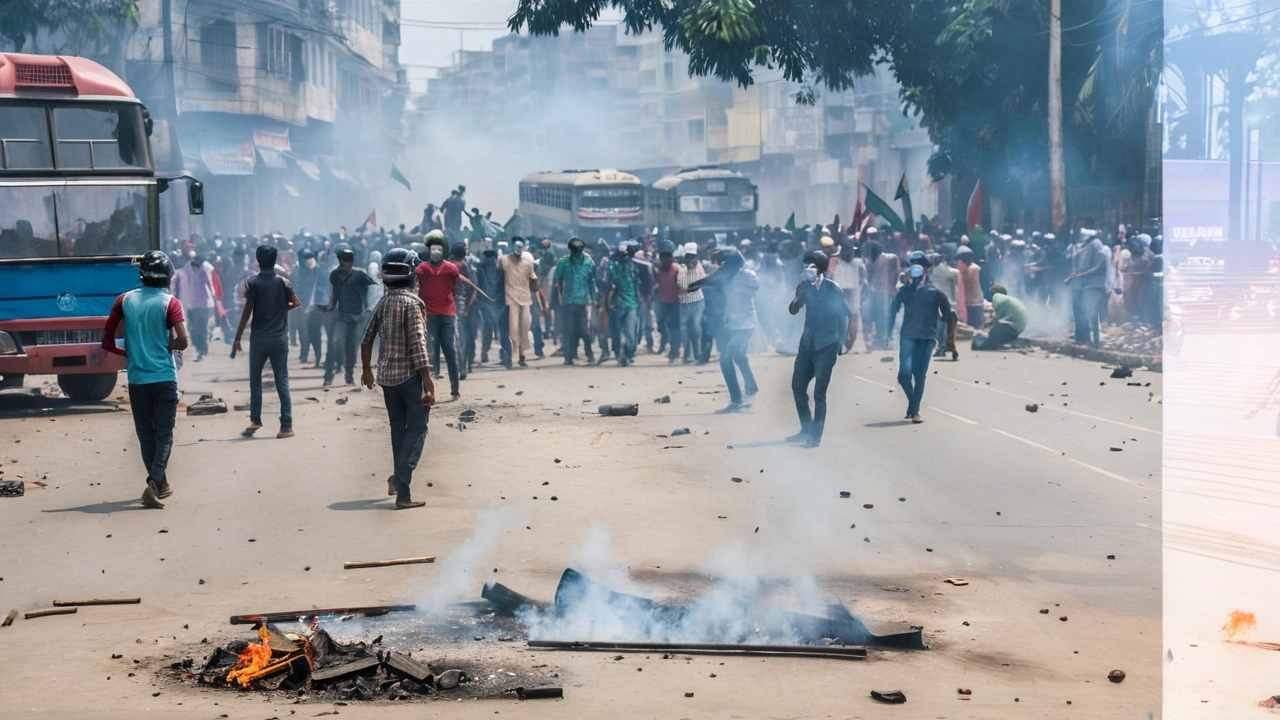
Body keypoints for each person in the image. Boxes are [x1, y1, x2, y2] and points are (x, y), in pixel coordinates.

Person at [100, 250, 189, 509]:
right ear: (168, 278)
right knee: (164, 434)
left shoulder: (123, 300)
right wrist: (166, 348)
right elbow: (183, 340)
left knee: (146, 436)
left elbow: (107, 340)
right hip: (163, 376)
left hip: (137, 379)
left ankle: (159, 483)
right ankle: (154, 483)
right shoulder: (170, 303)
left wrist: (129, 352)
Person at [360, 248, 434, 509]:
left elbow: (366, 338)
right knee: (418, 429)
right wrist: (428, 381)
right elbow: (418, 344)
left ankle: (403, 495)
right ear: (411, 275)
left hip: (387, 379)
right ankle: (399, 478)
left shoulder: (384, 302)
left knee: (397, 432)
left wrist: (367, 370)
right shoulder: (413, 303)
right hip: (409, 378)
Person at [233, 244, 302, 438]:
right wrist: (281, 310)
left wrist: (238, 337)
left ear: (258, 260)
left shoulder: (252, 282)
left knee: (255, 380)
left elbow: (247, 310)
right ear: (275, 260)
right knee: (282, 380)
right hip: (279, 338)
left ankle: (256, 420)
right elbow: (296, 302)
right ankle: (286, 426)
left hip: (259, 339)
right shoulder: (283, 283)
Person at [786, 251, 852, 448]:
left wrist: (841, 342)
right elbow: (793, 310)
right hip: (807, 343)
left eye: (812, 266)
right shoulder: (804, 288)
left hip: (826, 344)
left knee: (819, 393)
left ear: (821, 269)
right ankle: (805, 428)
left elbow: (844, 316)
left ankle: (815, 436)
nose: (808, 269)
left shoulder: (833, 289)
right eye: (806, 265)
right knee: (798, 386)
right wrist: (796, 295)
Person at [889, 252, 954, 423]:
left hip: (927, 337)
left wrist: (949, 340)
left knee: (919, 374)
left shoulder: (935, 292)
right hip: (908, 336)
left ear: (926, 269)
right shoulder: (904, 291)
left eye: (919, 264)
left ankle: (915, 410)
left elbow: (949, 315)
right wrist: (887, 333)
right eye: (913, 264)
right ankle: (913, 403)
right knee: (903, 375)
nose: (915, 268)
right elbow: (892, 311)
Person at [694, 248, 759, 412]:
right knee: (739, 356)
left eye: (724, 264)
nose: (722, 268)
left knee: (726, 360)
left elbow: (719, 280)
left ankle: (737, 399)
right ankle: (750, 389)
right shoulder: (726, 276)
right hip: (730, 323)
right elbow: (714, 280)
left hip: (745, 323)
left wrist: (706, 283)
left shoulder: (747, 276)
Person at [324, 247, 375, 386]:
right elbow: (334, 292)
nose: (347, 263)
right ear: (341, 261)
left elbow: (371, 288)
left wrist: (367, 307)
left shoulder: (361, 275)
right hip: (341, 315)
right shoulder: (335, 275)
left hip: (357, 316)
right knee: (336, 342)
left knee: (352, 347)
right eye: (345, 261)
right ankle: (329, 374)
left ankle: (349, 375)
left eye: (350, 260)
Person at [501, 238, 547, 367]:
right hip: (509, 300)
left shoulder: (528, 263)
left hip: (526, 299)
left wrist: (541, 300)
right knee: (511, 328)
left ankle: (522, 355)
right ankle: (508, 355)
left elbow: (535, 283)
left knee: (525, 327)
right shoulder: (505, 262)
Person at [553, 237, 597, 365]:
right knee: (570, 330)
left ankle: (589, 353)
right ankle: (569, 357)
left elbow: (592, 282)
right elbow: (558, 281)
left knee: (584, 330)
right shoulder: (563, 262)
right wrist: (560, 297)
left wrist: (593, 299)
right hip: (568, 301)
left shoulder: (589, 262)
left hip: (583, 301)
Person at [1065, 229, 1109, 346]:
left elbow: (1097, 267)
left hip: (1092, 285)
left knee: (1089, 312)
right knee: (1078, 310)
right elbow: (1077, 267)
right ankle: (1081, 337)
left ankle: (1094, 342)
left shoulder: (1096, 244)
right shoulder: (1081, 246)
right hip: (1079, 284)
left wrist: (1079, 275)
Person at [171, 248, 215, 360]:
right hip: (191, 303)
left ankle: (203, 349)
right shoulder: (186, 268)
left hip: (204, 303)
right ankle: (198, 346)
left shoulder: (206, 268)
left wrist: (214, 296)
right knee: (193, 328)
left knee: (202, 327)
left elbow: (211, 283)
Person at [606, 242, 642, 366]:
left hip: (631, 303)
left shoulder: (633, 267)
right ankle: (620, 353)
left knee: (630, 332)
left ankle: (628, 353)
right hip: (619, 303)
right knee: (620, 331)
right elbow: (609, 284)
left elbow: (638, 284)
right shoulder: (614, 267)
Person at [828, 242, 865, 352]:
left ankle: (842, 342)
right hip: (853, 291)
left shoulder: (835, 262)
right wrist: (859, 287)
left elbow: (829, 276)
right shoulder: (858, 262)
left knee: (840, 316)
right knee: (853, 316)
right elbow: (863, 277)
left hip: (839, 291)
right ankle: (848, 343)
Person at [862, 240, 898, 350]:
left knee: (875, 316)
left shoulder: (871, 260)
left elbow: (868, 276)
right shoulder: (892, 258)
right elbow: (896, 273)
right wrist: (892, 286)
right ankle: (884, 340)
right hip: (887, 291)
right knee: (885, 316)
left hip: (874, 290)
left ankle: (878, 340)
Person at [676, 243, 707, 364]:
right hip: (684, 302)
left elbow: (702, 281)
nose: (690, 259)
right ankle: (686, 354)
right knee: (685, 329)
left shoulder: (699, 267)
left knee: (696, 327)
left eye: (692, 257)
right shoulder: (681, 269)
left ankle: (698, 354)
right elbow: (682, 285)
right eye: (688, 256)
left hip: (698, 301)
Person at [652, 242, 682, 363]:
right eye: (663, 258)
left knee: (674, 327)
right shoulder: (657, 271)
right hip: (661, 302)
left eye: (667, 257)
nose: (665, 260)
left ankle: (674, 350)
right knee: (661, 325)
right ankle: (664, 344)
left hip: (675, 302)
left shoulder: (676, 270)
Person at [972, 285, 1027, 350]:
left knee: (982, 346)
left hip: (1011, 327)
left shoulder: (997, 297)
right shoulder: (1008, 299)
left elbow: (997, 320)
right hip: (1018, 328)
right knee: (991, 338)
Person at [929, 252, 960, 360]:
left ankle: (942, 346)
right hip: (941, 300)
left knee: (942, 325)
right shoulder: (935, 269)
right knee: (946, 325)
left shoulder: (940, 269)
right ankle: (945, 346)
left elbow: (955, 273)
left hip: (944, 300)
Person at [956, 246, 984, 329]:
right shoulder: (967, 268)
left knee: (975, 328)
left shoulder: (973, 269)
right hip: (969, 302)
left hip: (975, 303)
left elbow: (966, 276)